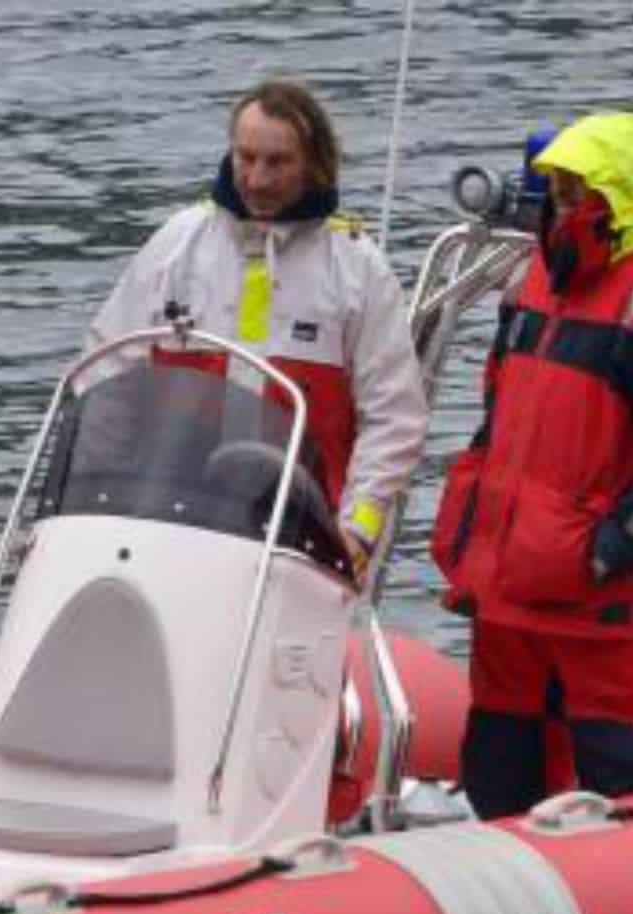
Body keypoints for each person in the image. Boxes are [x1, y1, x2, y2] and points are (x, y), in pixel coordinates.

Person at [430, 111, 633, 815]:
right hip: (509, 577)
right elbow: (496, 417)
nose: (556, 205)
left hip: (591, 590)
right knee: (497, 758)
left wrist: (612, 551)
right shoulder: (537, 278)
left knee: (615, 761)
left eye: (572, 192)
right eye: (554, 190)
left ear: (611, 199)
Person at [86, 78, 428, 575]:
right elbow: (107, 375)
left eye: (277, 162)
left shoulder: (357, 270)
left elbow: (394, 419)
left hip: (302, 542)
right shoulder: (177, 245)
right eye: (246, 158)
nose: (257, 178)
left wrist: (357, 530)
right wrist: (98, 494)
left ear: (313, 162)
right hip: (169, 520)